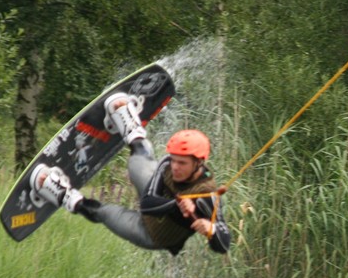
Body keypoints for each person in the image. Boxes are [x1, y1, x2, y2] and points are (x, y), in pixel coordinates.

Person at [29, 92, 231, 256]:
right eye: (174, 159)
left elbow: (223, 244)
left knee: (102, 213)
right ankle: (131, 125)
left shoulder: (207, 196)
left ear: (199, 163)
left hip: (151, 234)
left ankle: (64, 194)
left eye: (182, 163)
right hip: (155, 202)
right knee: (137, 161)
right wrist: (176, 204)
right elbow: (147, 203)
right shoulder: (168, 164)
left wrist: (211, 231)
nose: (175, 166)